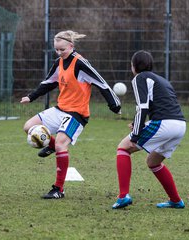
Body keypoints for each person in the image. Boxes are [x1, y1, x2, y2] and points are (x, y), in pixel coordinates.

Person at [21, 30, 121, 199]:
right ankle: (51, 145)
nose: (59, 53)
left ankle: (58, 189)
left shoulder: (81, 63)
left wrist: (114, 104)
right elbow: (48, 83)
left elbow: (101, 83)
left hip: (77, 114)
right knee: (28, 127)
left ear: (71, 46)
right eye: (56, 50)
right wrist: (31, 96)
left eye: (62, 50)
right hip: (60, 109)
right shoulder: (59, 62)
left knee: (61, 144)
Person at [112, 50, 186, 209]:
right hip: (180, 125)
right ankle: (176, 200)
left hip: (163, 123)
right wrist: (137, 124)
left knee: (123, 148)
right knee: (153, 161)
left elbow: (143, 107)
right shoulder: (161, 80)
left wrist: (136, 133)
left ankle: (123, 196)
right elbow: (157, 105)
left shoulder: (139, 77)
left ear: (133, 66)